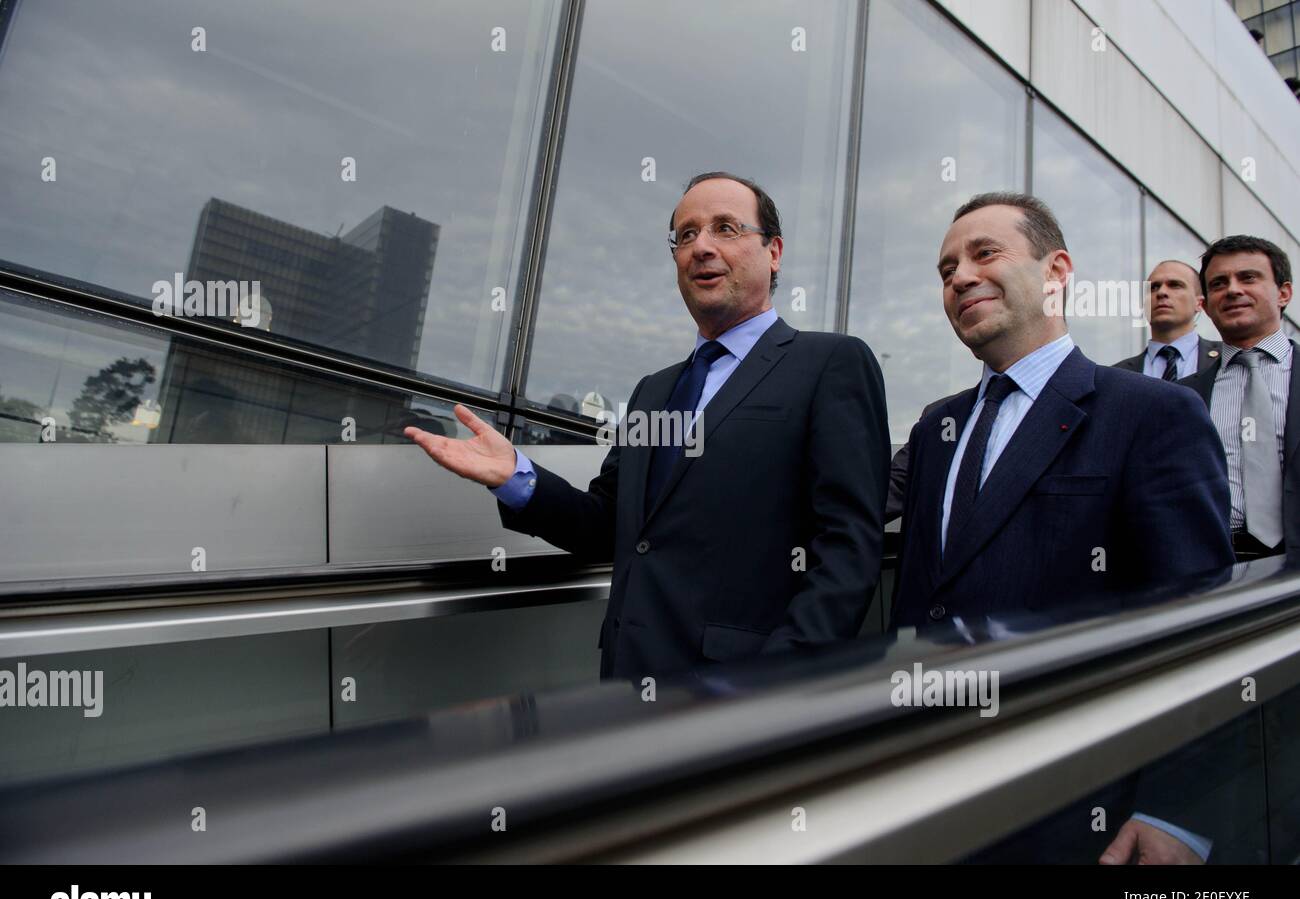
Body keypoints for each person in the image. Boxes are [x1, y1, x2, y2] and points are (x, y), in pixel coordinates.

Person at [406, 171, 890, 679]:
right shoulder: (653, 392)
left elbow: (848, 551)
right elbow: (611, 525)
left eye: (725, 228)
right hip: (628, 681)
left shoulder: (830, 363)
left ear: (774, 253)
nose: (700, 246)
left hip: (745, 698)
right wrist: (517, 479)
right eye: (686, 235)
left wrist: (775, 684)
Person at [891, 192, 1232, 630]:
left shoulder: (1154, 413)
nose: (961, 278)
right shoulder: (937, 428)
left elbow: (1190, 612)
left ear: (1055, 272)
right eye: (947, 270)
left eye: (985, 253)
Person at [1180, 235, 1296, 561]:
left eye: (1248, 278)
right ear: (1204, 302)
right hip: (1213, 570)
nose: (1232, 290)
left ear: (1283, 293)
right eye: (1219, 283)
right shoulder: (1183, 397)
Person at [1113, 260, 1220, 379]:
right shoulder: (1116, 375)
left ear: (1199, 303)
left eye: (1175, 285)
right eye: (1153, 287)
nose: (1161, 292)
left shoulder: (1228, 359)